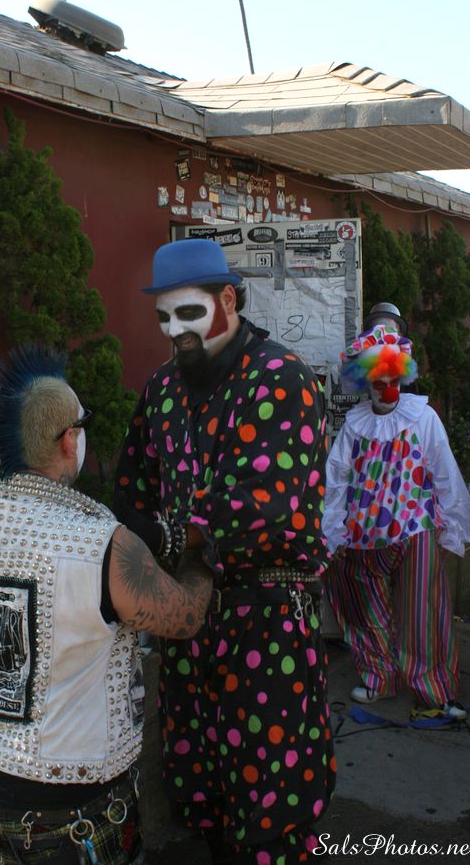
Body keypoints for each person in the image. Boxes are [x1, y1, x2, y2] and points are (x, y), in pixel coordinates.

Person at [0, 345, 213, 864]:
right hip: (84, 816)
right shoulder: (103, 545)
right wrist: (201, 557)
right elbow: (186, 616)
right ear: (69, 440)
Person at [113, 238, 335, 864]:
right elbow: (133, 484)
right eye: (164, 317)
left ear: (228, 301)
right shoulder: (162, 388)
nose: (173, 331)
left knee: (272, 798)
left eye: (189, 313)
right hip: (188, 623)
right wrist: (126, 539)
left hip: (266, 622)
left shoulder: (282, 378)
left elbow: (266, 503)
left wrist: (165, 536)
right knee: (204, 791)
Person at [322, 308, 470, 722]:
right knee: (363, 610)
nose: (384, 388)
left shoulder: (422, 417)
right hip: (361, 537)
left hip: (414, 530)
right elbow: (337, 479)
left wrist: (454, 525)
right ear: (364, 381)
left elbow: (443, 471)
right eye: (376, 381)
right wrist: (332, 531)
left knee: (423, 613)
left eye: (391, 379)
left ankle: (435, 690)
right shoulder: (354, 425)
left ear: (401, 376)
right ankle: (378, 677)